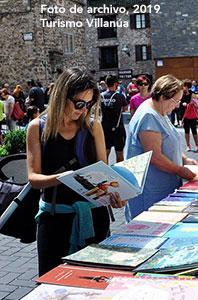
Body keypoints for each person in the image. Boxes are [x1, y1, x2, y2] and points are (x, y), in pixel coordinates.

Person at [26, 68, 127, 276]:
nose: (84, 110)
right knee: (52, 285)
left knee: (96, 282)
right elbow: (34, 178)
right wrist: (61, 178)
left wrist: (115, 195)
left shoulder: (93, 126)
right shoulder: (36, 127)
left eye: (89, 104)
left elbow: (103, 173)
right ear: (62, 96)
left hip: (93, 217)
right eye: (80, 103)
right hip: (55, 219)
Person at [124, 74, 198, 221]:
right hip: (151, 191)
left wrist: (185, 159)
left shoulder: (160, 111)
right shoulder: (149, 116)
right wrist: (180, 170)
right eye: (175, 101)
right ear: (163, 97)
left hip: (162, 187)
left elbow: (168, 142)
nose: (177, 105)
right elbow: (155, 157)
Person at [100, 74, 129, 163]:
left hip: (104, 129)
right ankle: (119, 175)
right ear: (116, 84)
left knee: (105, 156)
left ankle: (105, 175)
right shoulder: (119, 96)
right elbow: (125, 108)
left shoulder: (101, 95)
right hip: (118, 129)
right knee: (120, 157)